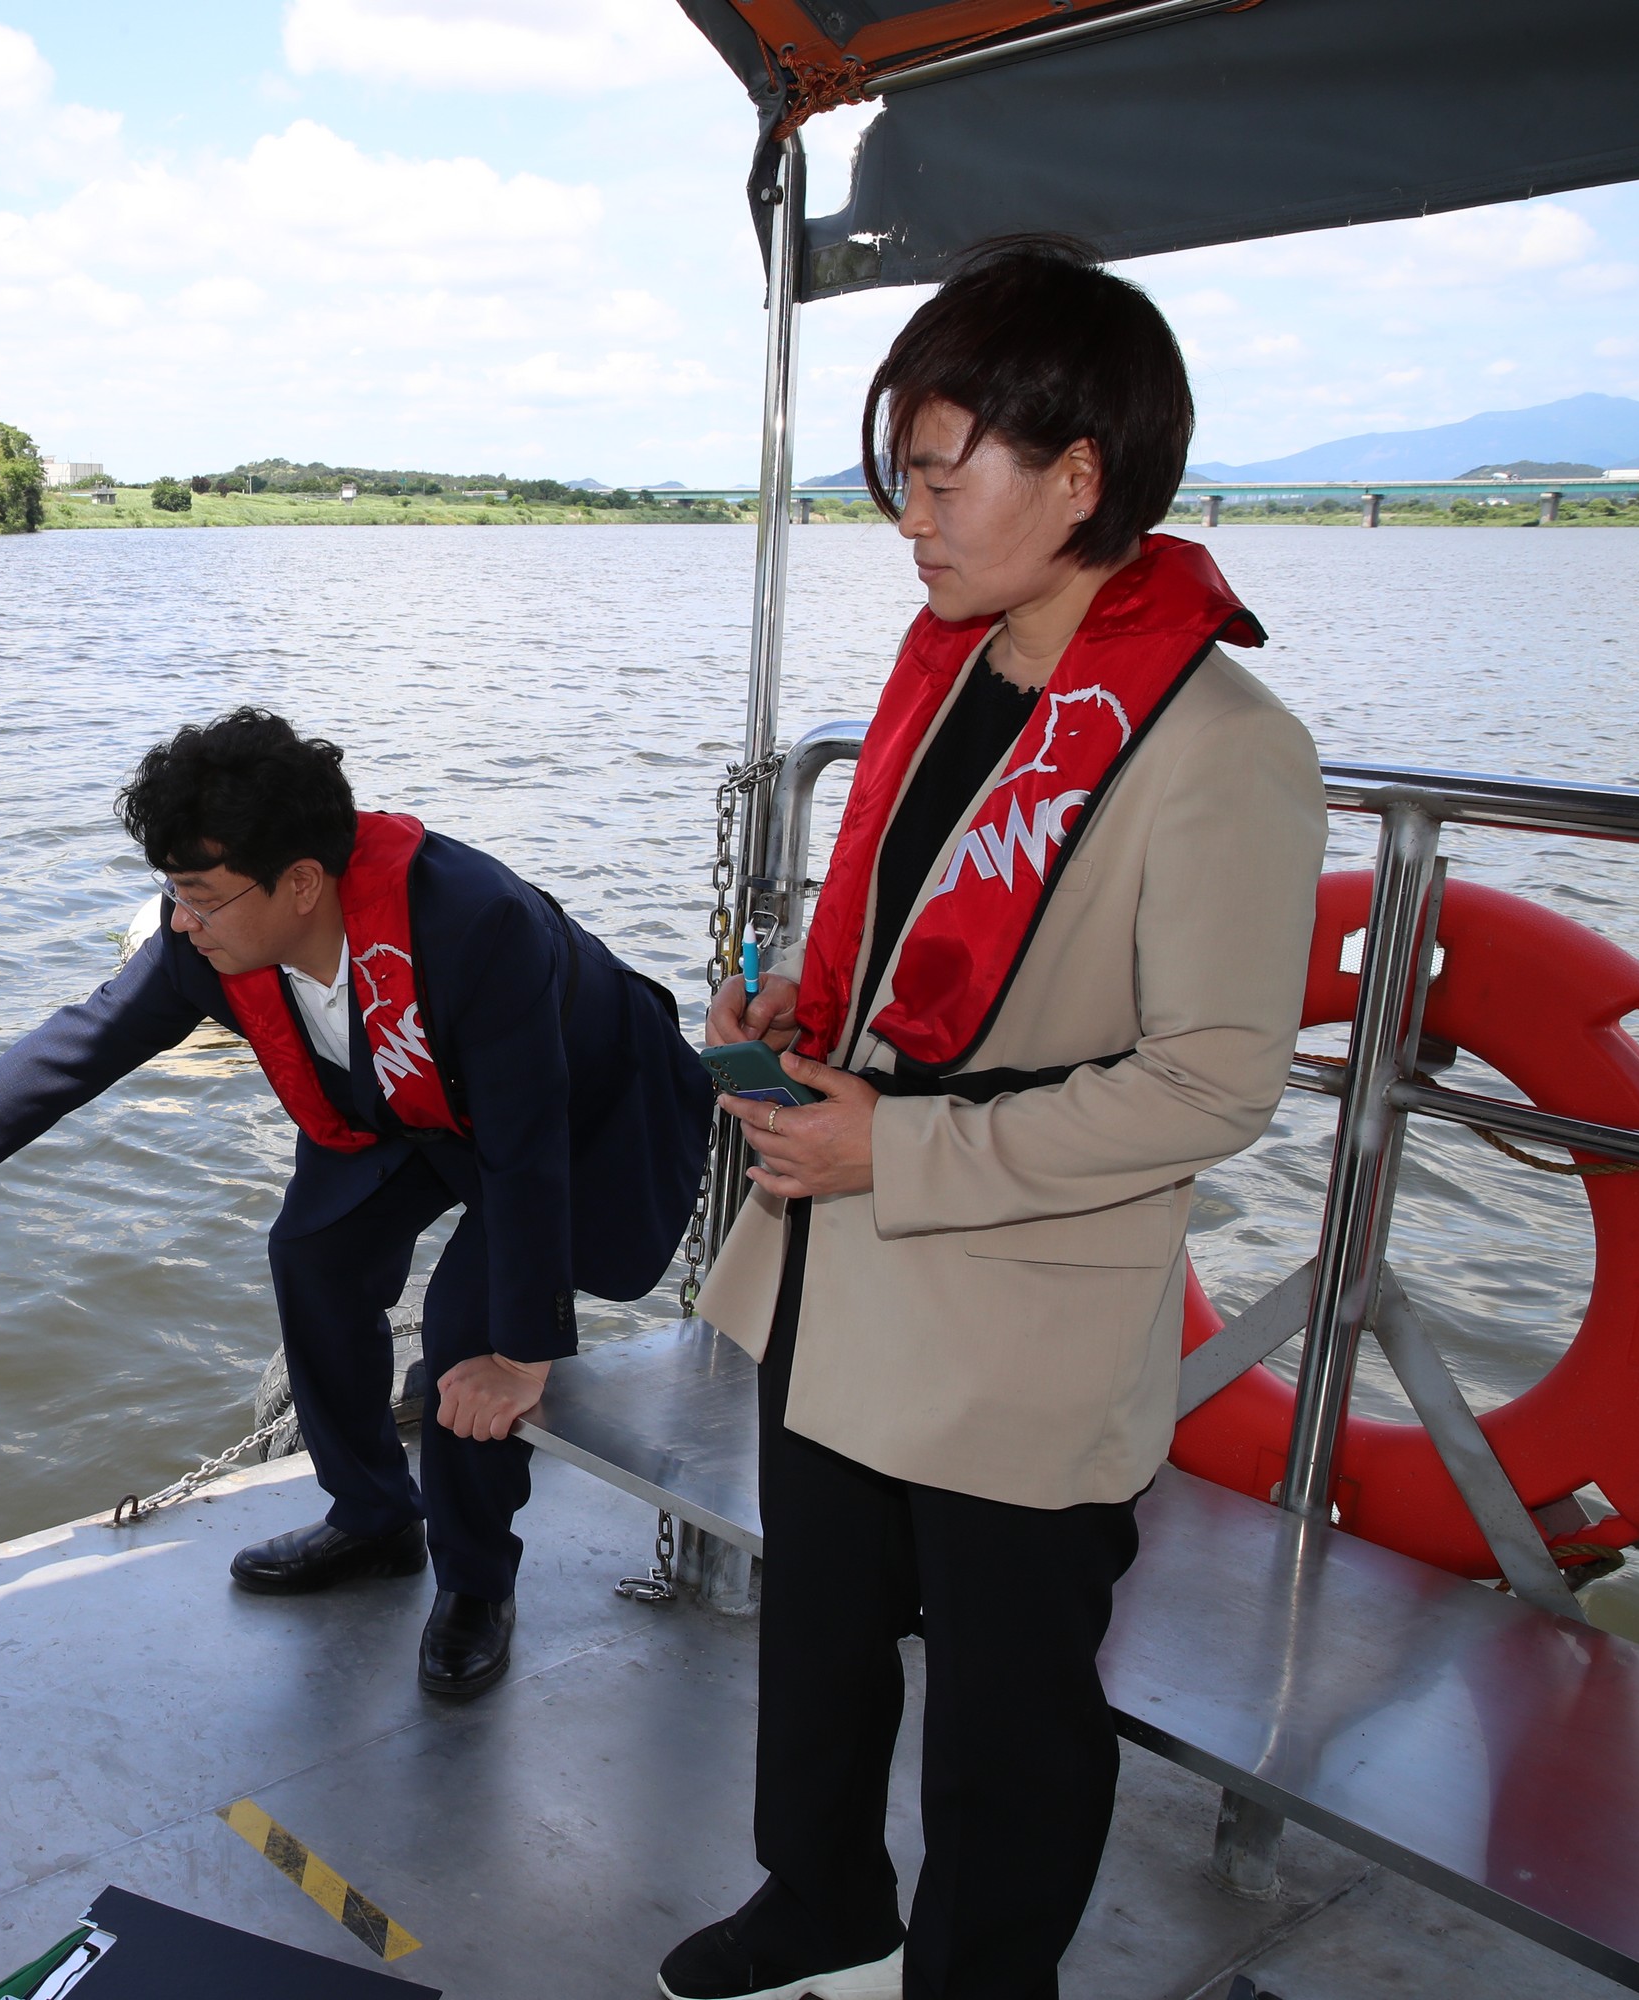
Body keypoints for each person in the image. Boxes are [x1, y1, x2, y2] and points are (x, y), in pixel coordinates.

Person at [654, 244, 1325, 2000]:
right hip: (837, 1251)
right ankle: (822, 1896)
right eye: (908, 479)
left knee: (1010, 1712)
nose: (916, 518)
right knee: (816, 1627)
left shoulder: (1221, 744)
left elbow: (1214, 1081)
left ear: (1079, 477)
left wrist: (905, 1149)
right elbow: (929, 942)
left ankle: (976, 1979)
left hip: (1015, 1290)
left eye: (947, 474)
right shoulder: (951, 672)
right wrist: (798, 1011)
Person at [0, 708, 710, 1697]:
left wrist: (522, 1358)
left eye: (201, 897)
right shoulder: (210, 942)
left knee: (469, 1334)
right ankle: (374, 1515)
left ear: (303, 882)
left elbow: (525, 1152)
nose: (181, 921)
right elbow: (76, 1047)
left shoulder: (478, 923)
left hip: (578, 1116)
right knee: (316, 1251)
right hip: (408, 1101)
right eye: (171, 893)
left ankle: (476, 1583)